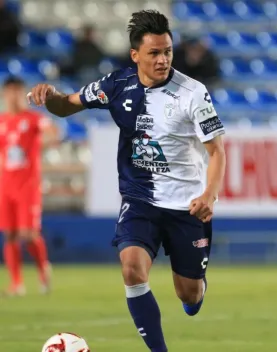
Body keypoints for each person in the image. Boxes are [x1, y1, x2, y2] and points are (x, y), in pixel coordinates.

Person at [28, 10, 226, 352]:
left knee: (189, 294)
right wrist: (51, 97)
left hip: (188, 206)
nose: (163, 59)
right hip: (140, 200)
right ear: (135, 54)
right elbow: (68, 105)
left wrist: (209, 194)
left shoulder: (193, 93)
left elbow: (218, 151)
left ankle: (195, 291)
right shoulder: (116, 85)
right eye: (154, 53)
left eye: (167, 51)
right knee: (132, 269)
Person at [0, 76, 54, 296]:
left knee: (28, 233)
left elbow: (53, 133)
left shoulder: (34, 119)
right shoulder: (2, 121)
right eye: (9, 91)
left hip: (28, 186)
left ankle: (43, 269)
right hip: (5, 185)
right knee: (10, 234)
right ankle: (16, 283)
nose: (13, 95)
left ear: (21, 92)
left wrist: (43, 143)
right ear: (4, 94)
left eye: (16, 90)